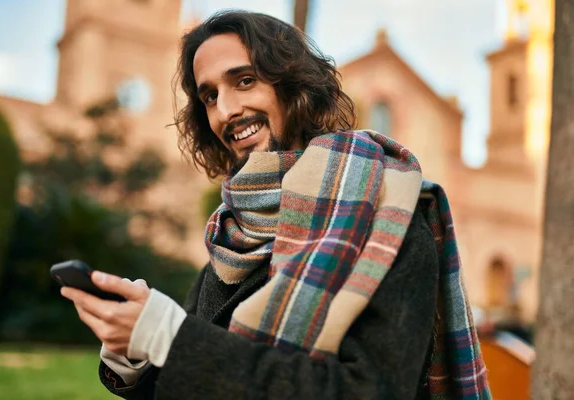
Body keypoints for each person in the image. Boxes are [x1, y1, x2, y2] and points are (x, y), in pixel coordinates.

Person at [60, 10, 491, 400]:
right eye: (210, 96)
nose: (226, 110)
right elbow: (191, 383)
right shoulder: (232, 236)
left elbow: (369, 390)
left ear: (293, 86)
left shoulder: (389, 219)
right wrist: (133, 351)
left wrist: (171, 337)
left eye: (245, 81)